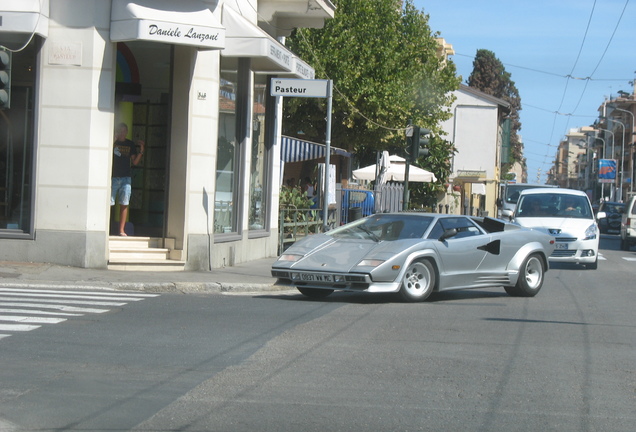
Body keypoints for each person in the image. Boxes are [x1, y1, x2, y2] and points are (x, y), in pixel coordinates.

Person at [111, 122, 144, 236]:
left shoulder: (130, 144)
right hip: (113, 176)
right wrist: (113, 138)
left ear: (127, 132)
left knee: (124, 203)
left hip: (126, 177)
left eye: (124, 131)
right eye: (120, 130)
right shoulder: (112, 142)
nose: (122, 133)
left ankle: (121, 230)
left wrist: (141, 151)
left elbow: (134, 161)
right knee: (109, 202)